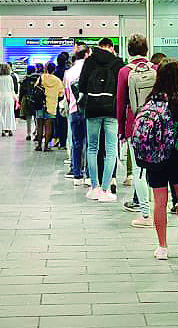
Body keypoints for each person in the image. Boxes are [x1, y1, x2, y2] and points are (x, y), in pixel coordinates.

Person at [132, 60, 178, 259]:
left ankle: (162, 247)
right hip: (174, 157)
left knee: (159, 202)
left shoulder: (149, 102)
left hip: (153, 159)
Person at [117, 34, 157, 228]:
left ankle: (145, 214)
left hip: (135, 126)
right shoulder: (156, 69)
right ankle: (160, 208)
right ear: (147, 50)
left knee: (139, 172)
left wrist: (121, 130)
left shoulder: (125, 72)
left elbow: (121, 103)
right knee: (158, 168)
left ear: (128, 51)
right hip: (157, 126)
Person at [77, 37, 123, 201]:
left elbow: (82, 85)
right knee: (111, 150)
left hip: (92, 109)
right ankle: (105, 190)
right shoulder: (118, 62)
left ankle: (94, 187)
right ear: (111, 47)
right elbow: (122, 87)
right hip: (111, 109)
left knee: (92, 148)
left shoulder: (89, 62)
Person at [64, 46, 89, 181]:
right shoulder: (90, 70)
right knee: (91, 144)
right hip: (89, 110)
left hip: (74, 110)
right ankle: (89, 174)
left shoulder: (69, 72)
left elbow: (67, 94)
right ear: (86, 55)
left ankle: (77, 172)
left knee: (76, 142)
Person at [36, 61, 63, 150]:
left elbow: (35, 87)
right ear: (54, 69)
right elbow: (61, 94)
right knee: (49, 125)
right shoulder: (57, 80)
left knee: (39, 125)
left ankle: (39, 145)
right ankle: (46, 146)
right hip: (51, 105)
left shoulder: (41, 77)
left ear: (46, 69)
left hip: (40, 104)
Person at [21, 63, 43, 141]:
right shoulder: (39, 78)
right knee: (37, 118)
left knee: (28, 118)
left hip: (28, 100)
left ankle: (29, 134)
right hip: (38, 100)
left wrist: (20, 100)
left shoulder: (25, 79)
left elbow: (22, 91)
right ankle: (37, 133)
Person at [0, 62, 17, 136]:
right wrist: (15, 99)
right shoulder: (9, 78)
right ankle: (10, 129)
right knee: (9, 114)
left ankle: (3, 130)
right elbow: (12, 89)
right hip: (9, 97)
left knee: (1, 114)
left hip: (0, 97)